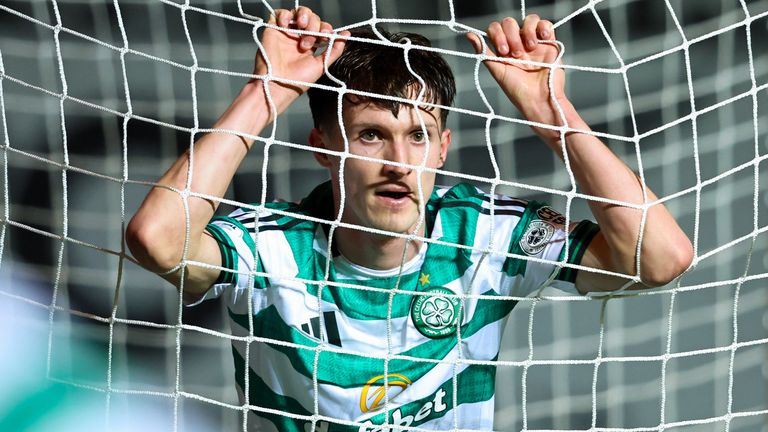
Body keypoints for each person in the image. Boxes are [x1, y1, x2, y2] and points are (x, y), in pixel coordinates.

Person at [126, 7, 693, 431]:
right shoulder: (270, 247)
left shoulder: (487, 232)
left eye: (418, 135)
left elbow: (660, 258)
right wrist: (265, 92)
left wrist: (552, 113)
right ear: (322, 147)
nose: (399, 163)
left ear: (443, 148)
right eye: (372, 135)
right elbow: (157, 239)